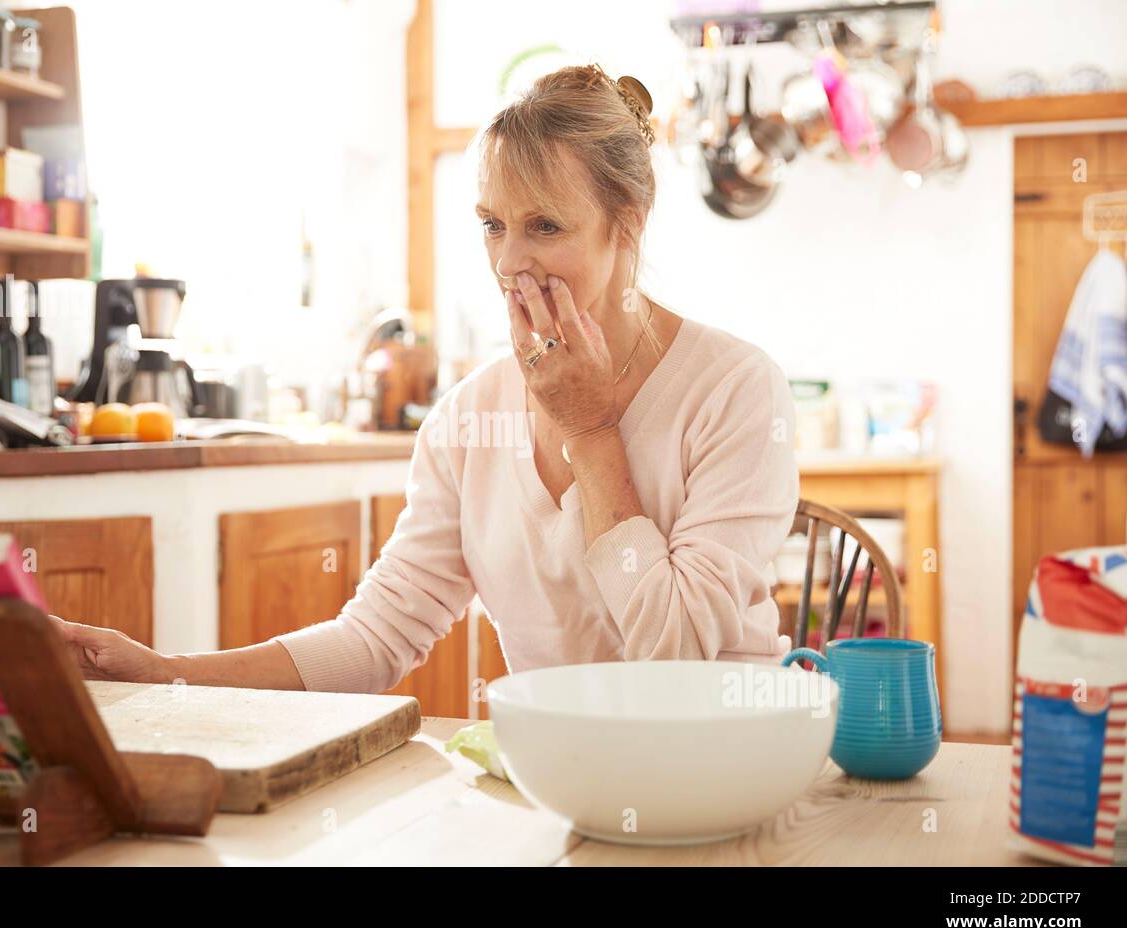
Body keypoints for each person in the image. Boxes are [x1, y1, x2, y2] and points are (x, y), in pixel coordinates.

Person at [51, 64, 800, 693]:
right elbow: (378, 635)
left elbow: (676, 663)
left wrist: (592, 431)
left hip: (724, 774)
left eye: (545, 226)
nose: (509, 262)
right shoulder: (468, 417)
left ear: (628, 221)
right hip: (559, 778)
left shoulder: (735, 391)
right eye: (492, 224)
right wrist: (168, 675)